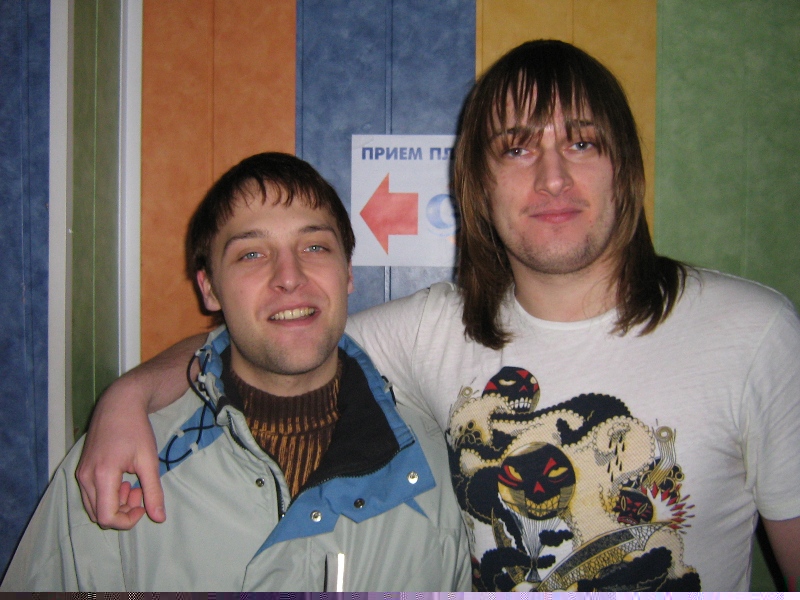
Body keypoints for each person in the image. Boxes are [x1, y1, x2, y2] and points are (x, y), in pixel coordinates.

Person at [74, 40, 800, 591]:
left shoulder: (754, 334)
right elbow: (275, 333)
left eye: (582, 142)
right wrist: (127, 398)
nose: (553, 177)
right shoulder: (431, 332)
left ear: (626, 169)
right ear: (478, 185)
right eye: (517, 148)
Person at [1, 153, 470, 592]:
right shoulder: (116, 466)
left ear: (347, 273)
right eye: (251, 254)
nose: (289, 276)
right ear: (209, 289)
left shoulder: (436, 464)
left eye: (314, 246)